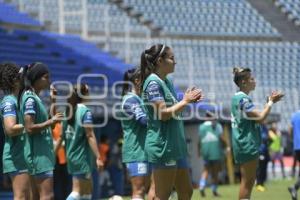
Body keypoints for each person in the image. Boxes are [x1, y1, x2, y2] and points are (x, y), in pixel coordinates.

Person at [140, 44, 203, 200]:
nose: (175, 62)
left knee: (186, 191)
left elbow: (173, 108)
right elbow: (163, 114)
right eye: (172, 58)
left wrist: (185, 100)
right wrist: (186, 101)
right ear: (160, 61)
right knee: (163, 195)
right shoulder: (153, 83)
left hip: (175, 145)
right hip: (163, 147)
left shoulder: (166, 81)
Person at [231, 67, 283, 200]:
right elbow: (260, 118)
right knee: (247, 182)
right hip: (247, 144)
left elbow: (256, 117)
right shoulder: (242, 99)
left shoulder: (240, 98)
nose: (255, 81)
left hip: (244, 144)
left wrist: (268, 103)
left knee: (248, 181)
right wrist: (271, 103)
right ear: (243, 82)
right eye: (252, 79)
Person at [18, 62, 64, 199]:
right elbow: (29, 127)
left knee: (36, 197)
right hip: (38, 155)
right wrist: (51, 121)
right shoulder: (30, 99)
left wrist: (53, 102)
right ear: (36, 77)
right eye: (46, 77)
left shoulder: (35, 98)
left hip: (40, 154)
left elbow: (51, 125)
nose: (49, 80)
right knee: (47, 195)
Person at [60, 83, 103, 200]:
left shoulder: (67, 112)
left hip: (72, 156)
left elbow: (61, 136)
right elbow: (90, 135)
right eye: (89, 91)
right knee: (77, 190)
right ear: (84, 94)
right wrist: (98, 157)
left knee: (87, 190)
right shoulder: (85, 112)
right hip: (82, 157)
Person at [120, 68, 153, 200]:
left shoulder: (139, 99)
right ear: (137, 81)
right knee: (139, 191)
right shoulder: (130, 100)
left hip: (144, 151)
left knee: (145, 190)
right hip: (136, 152)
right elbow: (143, 120)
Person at [0, 62, 30, 199]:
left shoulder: (18, 100)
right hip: (16, 156)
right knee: (21, 196)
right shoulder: (8, 102)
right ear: (14, 81)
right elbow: (10, 129)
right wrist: (32, 126)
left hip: (23, 155)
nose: (22, 79)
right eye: (19, 77)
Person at [198, 111, 229, 197]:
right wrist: (227, 146)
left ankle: (201, 186)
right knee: (215, 172)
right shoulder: (217, 125)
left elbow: (199, 141)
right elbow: (222, 138)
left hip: (205, 152)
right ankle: (214, 191)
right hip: (215, 151)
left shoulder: (201, 127)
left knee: (206, 170)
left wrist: (198, 151)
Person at [288, 110, 300, 200]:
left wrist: (294, 139)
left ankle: (294, 188)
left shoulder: (294, 115)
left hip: (297, 147)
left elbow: (290, 130)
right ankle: (294, 187)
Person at [255, 124, 270, 192]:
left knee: (264, 168)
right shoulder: (258, 126)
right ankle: (258, 184)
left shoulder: (265, 127)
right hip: (260, 150)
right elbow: (260, 138)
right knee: (260, 168)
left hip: (265, 150)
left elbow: (267, 137)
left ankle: (262, 184)